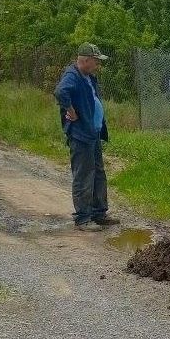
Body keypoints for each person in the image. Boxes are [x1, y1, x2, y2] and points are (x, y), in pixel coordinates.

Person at [54, 43, 120, 232]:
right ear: (85, 60)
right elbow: (60, 92)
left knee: (98, 172)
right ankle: (83, 219)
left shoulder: (88, 76)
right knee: (84, 175)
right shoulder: (72, 75)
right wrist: (70, 110)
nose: (98, 65)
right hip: (81, 134)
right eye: (95, 61)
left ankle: (99, 213)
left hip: (93, 132)